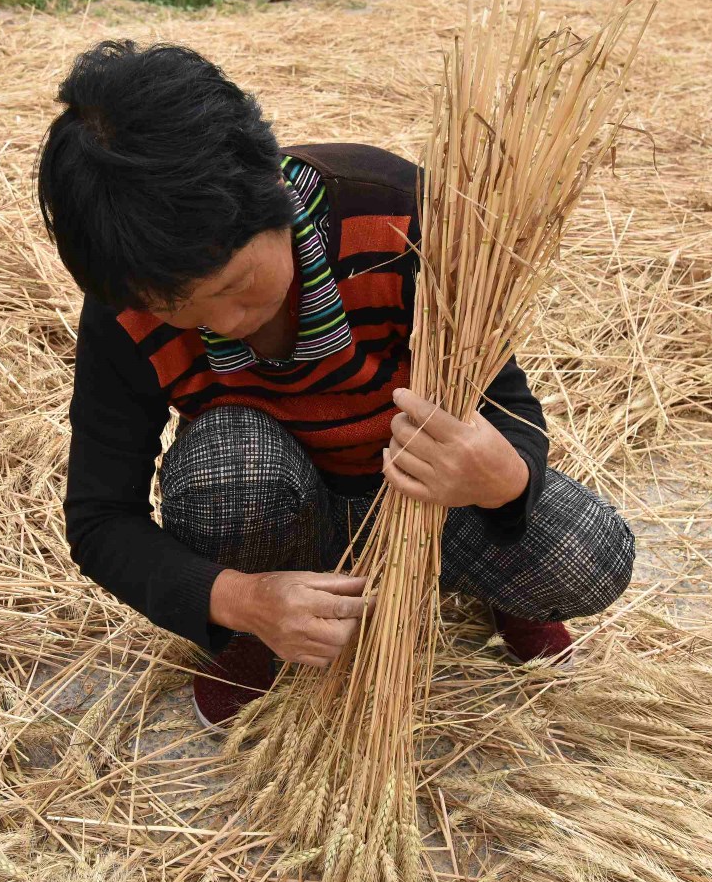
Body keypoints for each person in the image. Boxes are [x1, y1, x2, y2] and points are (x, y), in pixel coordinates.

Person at [37, 40, 635, 731]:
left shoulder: (403, 218)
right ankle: (259, 638)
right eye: (182, 310)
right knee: (223, 468)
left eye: (235, 286)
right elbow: (99, 519)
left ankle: (491, 589)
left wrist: (499, 477)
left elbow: (511, 407)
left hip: (425, 504)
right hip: (284, 510)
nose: (223, 324)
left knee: (589, 557)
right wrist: (244, 600)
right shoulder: (129, 296)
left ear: (273, 199)